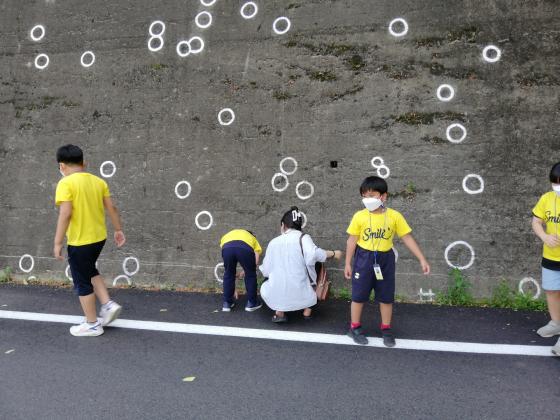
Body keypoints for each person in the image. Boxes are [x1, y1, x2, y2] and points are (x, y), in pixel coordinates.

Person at [344, 176, 430, 347]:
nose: (367, 199)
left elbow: (407, 237)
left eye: (372, 195)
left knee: (386, 296)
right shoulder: (359, 216)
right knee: (359, 296)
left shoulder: (394, 216)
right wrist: (348, 263)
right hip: (364, 258)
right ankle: (354, 327)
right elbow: (351, 241)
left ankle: (386, 329)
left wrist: (422, 258)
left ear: (384, 196)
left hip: (385, 259)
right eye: (364, 196)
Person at [53, 144, 125, 337]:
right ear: (84, 163)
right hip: (98, 239)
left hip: (79, 241)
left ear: (61, 166)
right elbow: (113, 208)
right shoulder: (98, 182)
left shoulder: (65, 183)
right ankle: (108, 305)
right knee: (90, 269)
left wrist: (58, 242)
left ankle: (92, 324)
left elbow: (65, 213)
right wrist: (118, 229)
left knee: (82, 281)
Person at [259, 206, 343, 322]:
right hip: (302, 293)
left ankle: (279, 313)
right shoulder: (303, 238)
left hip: (277, 295)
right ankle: (307, 311)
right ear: (299, 226)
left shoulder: (274, 242)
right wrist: (333, 253)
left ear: (283, 225)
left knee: (268, 279)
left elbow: (266, 270)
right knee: (318, 265)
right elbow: (314, 255)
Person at [532, 162, 560, 355]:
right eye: (554, 183)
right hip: (550, 257)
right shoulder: (546, 199)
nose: (557, 187)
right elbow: (536, 222)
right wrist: (544, 236)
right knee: (552, 291)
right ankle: (556, 323)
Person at [220, 229, 263, 312]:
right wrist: (246, 271)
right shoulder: (252, 238)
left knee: (229, 274)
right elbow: (255, 261)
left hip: (226, 248)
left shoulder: (230, 234)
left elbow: (229, 250)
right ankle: (252, 303)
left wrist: (232, 289)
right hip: (243, 249)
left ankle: (227, 303)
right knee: (250, 275)